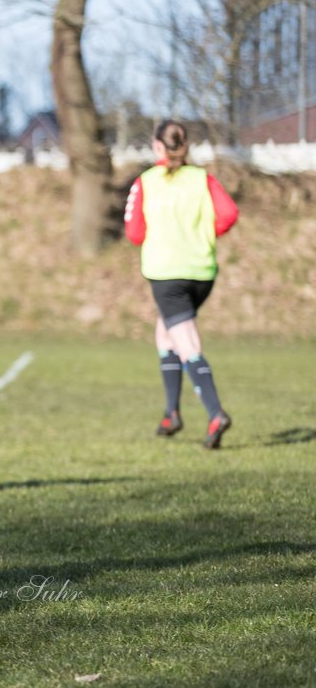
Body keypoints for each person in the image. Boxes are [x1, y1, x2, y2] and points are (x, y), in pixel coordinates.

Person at [124, 119, 239, 449]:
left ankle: (215, 412)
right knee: (165, 332)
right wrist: (205, 234)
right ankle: (171, 412)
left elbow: (134, 233)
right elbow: (228, 214)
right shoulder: (203, 179)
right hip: (202, 272)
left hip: (167, 275)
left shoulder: (146, 182)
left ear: (157, 146)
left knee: (185, 340)